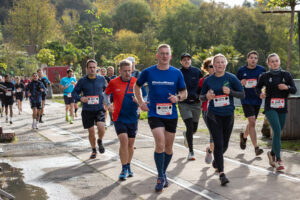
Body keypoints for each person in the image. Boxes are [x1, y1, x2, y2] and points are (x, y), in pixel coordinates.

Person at [134, 44, 187, 192]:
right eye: (161, 54)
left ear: (170, 56)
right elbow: (136, 86)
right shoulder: (148, 72)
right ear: (157, 55)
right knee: (160, 143)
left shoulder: (176, 73)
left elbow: (184, 93)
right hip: (154, 113)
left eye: (167, 54)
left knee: (169, 148)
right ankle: (160, 176)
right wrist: (141, 102)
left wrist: (177, 97)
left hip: (171, 114)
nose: (164, 56)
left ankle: (163, 173)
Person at [200, 54, 244, 186]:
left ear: (226, 64)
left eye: (222, 62)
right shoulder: (208, 80)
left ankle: (216, 160)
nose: (219, 65)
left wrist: (230, 92)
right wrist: (207, 96)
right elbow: (201, 96)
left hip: (228, 115)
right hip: (213, 115)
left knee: (224, 145)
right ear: (213, 65)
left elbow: (242, 94)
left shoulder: (231, 78)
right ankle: (222, 174)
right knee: (218, 144)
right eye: (217, 62)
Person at [256, 53, 296, 171]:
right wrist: (260, 94)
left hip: (282, 107)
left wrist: (287, 88)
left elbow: (294, 90)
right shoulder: (264, 76)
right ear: (268, 63)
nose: (274, 63)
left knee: (278, 133)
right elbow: (257, 88)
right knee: (277, 131)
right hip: (270, 107)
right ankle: (278, 159)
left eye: (276, 61)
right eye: (272, 61)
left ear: (280, 62)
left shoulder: (286, 75)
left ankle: (272, 153)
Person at [104, 59, 139, 180]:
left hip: (133, 118)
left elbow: (145, 95)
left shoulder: (136, 82)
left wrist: (140, 101)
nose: (127, 74)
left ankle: (128, 165)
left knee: (130, 144)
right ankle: (123, 168)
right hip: (118, 117)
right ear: (120, 71)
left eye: (129, 71)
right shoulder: (113, 82)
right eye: (125, 71)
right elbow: (106, 94)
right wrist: (108, 104)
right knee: (123, 141)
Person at [72, 59, 107, 159]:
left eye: (94, 67)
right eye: (90, 68)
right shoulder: (82, 81)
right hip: (87, 110)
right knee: (91, 131)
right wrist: (80, 98)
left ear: (97, 68)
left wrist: (107, 100)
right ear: (86, 69)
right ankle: (93, 149)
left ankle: (100, 140)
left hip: (99, 108)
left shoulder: (101, 79)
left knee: (101, 127)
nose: (92, 69)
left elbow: (107, 90)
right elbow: (74, 93)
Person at [237, 51, 266, 156]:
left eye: (255, 58)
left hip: (257, 99)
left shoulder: (261, 70)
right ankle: (256, 148)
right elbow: (236, 85)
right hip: (246, 99)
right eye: (251, 58)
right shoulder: (241, 71)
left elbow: (265, 84)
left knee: (251, 123)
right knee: (252, 122)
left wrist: (263, 92)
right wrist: (241, 83)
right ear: (247, 59)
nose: (253, 60)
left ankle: (244, 137)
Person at [178, 53, 203, 160]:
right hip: (184, 103)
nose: (186, 61)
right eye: (184, 60)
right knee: (189, 126)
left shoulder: (197, 72)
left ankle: (186, 134)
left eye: (188, 59)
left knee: (194, 128)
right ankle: (191, 152)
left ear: (190, 61)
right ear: (181, 62)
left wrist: (201, 95)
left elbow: (203, 85)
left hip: (196, 103)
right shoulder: (178, 73)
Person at [198, 57, 215, 164]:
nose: (214, 68)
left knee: (220, 134)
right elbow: (199, 96)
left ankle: (210, 150)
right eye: (211, 66)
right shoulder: (202, 81)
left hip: (222, 109)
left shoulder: (225, 78)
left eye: (216, 64)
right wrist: (206, 96)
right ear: (206, 68)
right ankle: (218, 162)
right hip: (207, 109)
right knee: (214, 132)